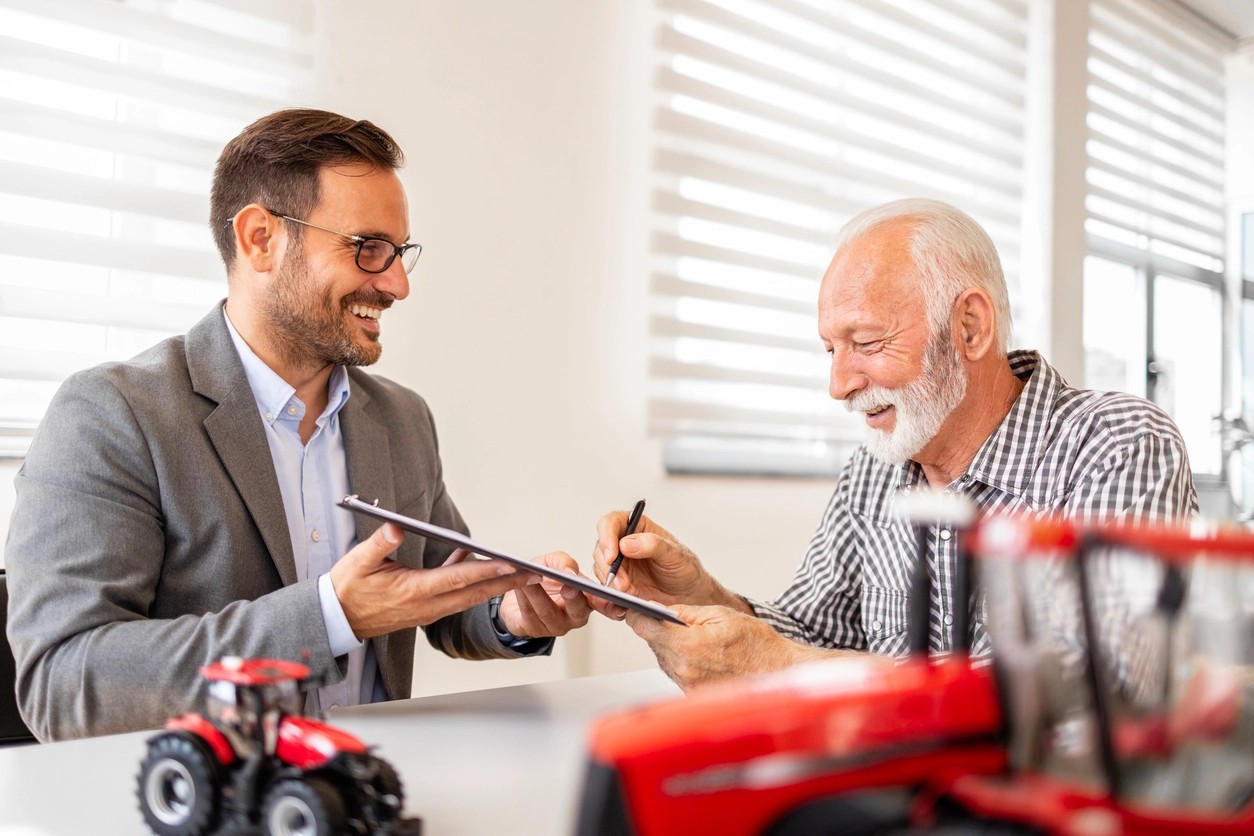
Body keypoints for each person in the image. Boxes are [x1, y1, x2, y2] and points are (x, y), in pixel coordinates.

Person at [4, 109, 591, 741]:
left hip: (371, 796)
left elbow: (441, 603)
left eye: (399, 254)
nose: (396, 284)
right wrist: (329, 617)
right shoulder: (112, 414)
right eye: (368, 249)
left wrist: (511, 615)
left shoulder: (401, 418)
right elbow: (65, 684)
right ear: (260, 238)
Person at [591, 198, 1197, 691]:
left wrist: (776, 668)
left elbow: (1095, 688)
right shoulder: (873, 472)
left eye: (868, 341)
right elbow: (812, 633)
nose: (839, 384)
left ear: (970, 327)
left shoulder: (1118, 444)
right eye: (832, 349)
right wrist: (703, 595)